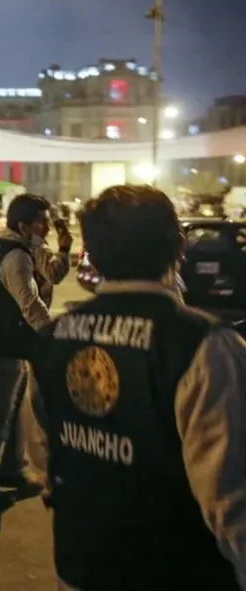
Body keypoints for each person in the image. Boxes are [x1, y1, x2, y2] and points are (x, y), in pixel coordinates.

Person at [20, 185, 245, 590]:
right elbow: (229, 495)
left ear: (93, 252)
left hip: (80, 565)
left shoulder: (52, 337)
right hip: (177, 573)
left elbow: (41, 450)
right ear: (178, 247)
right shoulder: (202, 345)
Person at [0, 193, 69, 497]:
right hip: (1, 345)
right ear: (24, 225)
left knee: (15, 410)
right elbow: (30, 303)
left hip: (10, 341)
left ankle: (12, 468)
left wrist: (62, 246)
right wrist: (52, 336)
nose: (46, 227)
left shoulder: (13, 246)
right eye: (41, 222)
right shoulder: (15, 256)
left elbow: (53, 275)